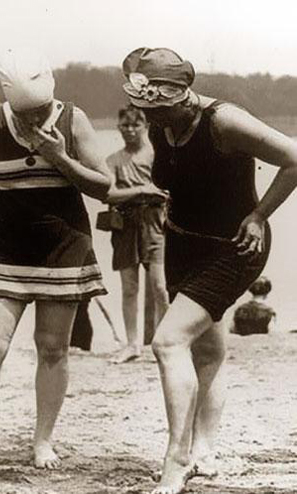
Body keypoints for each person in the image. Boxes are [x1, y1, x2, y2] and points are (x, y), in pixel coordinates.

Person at [121, 47, 297, 494]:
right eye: (144, 110)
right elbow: (183, 176)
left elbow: (294, 158)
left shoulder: (224, 122)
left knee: (167, 340)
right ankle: (205, 452)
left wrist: (260, 214)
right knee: (207, 352)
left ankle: (176, 459)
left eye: (155, 109)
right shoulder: (164, 125)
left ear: (181, 96)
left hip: (234, 247)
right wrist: (159, 198)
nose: (149, 118)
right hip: (183, 242)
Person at [0, 48, 111, 478]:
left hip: (63, 248)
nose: (33, 120)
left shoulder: (74, 119)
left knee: (52, 350)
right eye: (25, 112)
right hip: (6, 248)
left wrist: (61, 158)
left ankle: (42, 440)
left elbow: (105, 187)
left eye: (41, 110)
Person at [104, 106, 169, 363]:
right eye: (125, 125)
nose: (130, 130)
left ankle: (163, 341)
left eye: (135, 125)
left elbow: (167, 190)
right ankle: (132, 344)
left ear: (144, 126)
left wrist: (149, 192)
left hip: (155, 223)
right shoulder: (112, 160)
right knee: (129, 288)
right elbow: (109, 194)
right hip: (125, 224)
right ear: (119, 128)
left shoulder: (156, 157)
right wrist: (143, 190)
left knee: (161, 287)